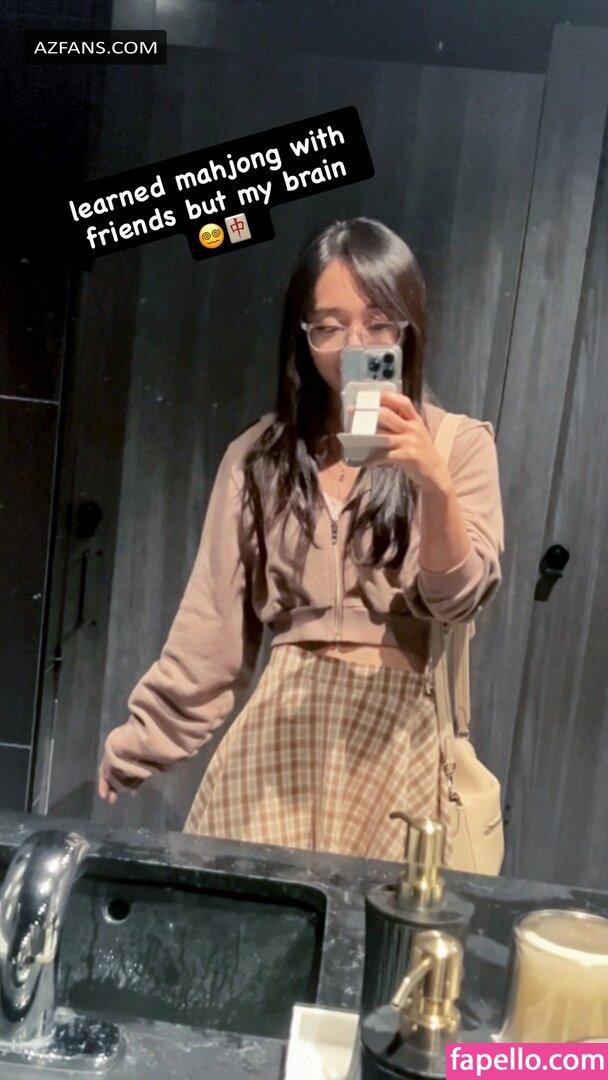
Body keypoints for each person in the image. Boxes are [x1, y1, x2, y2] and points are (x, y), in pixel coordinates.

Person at [98, 217, 505, 866]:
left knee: (372, 927)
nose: (354, 345)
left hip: (395, 743)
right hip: (280, 736)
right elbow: (212, 628)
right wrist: (140, 742)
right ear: (303, 334)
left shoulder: (459, 445)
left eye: (378, 324)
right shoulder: (259, 457)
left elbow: (459, 599)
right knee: (257, 923)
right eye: (329, 326)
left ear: (408, 328)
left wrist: (434, 484)